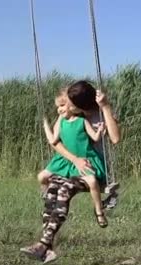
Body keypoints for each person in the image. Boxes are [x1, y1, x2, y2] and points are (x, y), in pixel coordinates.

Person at [21, 80, 121, 263]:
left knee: (65, 189)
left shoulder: (98, 115)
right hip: (71, 166)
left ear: (81, 105)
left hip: (92, 170)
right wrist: (74, 159)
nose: (67, 106)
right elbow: (56, 142)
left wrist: (106, 106)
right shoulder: (70, 116)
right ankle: (46, 247)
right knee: (52, 192)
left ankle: (43, 245)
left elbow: (115, 138)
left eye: (71, 104)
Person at [38, 87, 108, 227]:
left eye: (62, 105)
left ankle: (99, 211)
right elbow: (53, 140)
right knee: (42, 176)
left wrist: (100, 130)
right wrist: (46, 125)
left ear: (71, 106)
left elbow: (94, 138)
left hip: (84, 158)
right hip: (65, 161)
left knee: (93, 182)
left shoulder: (82, 121)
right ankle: (48, 200)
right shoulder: (61, 121)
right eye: (58, 107)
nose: (59, 109)